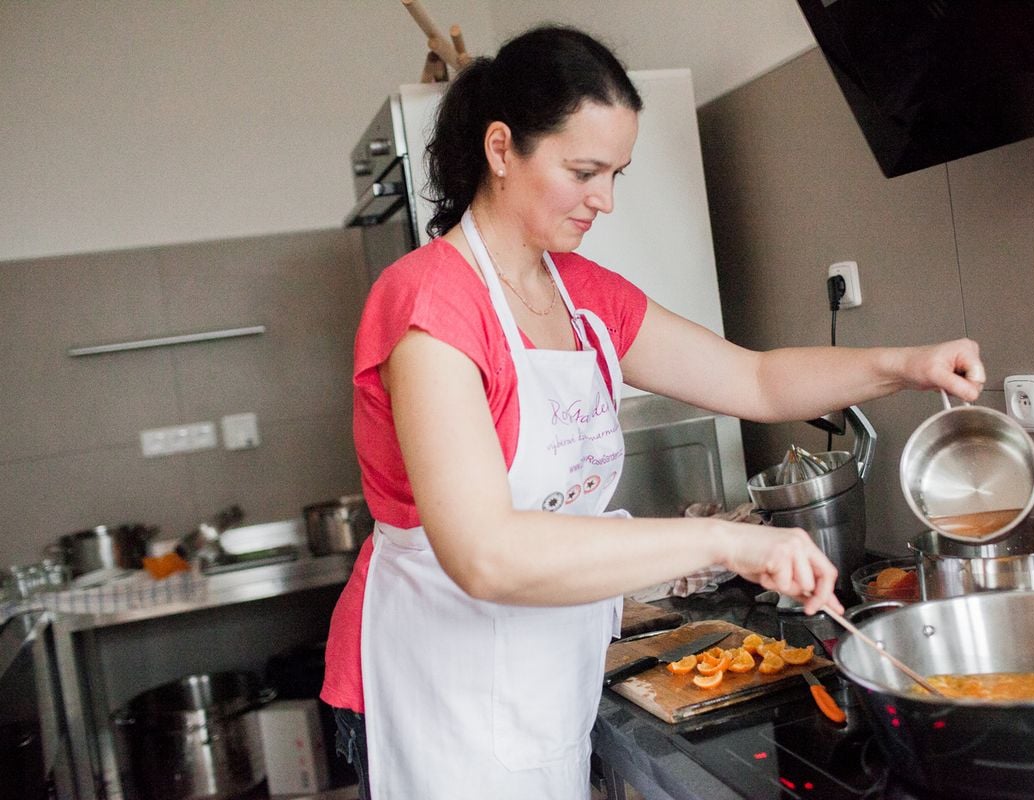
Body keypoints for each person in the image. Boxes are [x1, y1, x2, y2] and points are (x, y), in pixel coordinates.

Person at [321, 25, 986, 800]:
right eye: (583, 170)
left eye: (616, 173)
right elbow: (485, 555)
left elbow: (757, 380)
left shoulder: (579, 293)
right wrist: (725, 541)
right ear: (502, 149)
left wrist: (903, 365)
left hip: (543, 663)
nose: (604, 199)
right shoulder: (430, 305)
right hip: (436, 678)